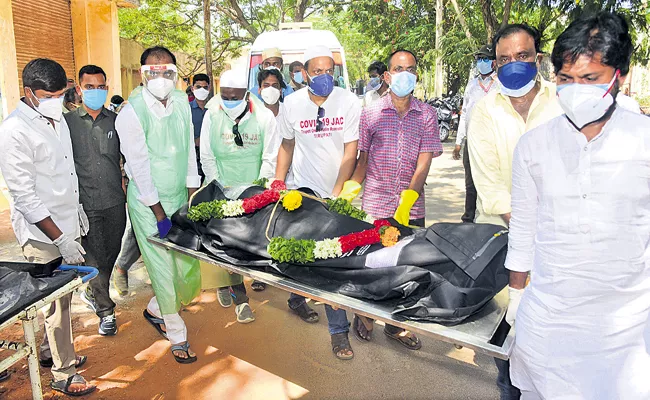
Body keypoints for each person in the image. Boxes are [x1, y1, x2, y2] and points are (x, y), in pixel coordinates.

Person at [506, 12, 650, 400]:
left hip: (628, 328)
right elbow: (523, 228)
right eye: (566, 79)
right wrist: (516, 297)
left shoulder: (644, 140)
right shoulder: (534, 146)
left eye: (590, 78)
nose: (576, 89)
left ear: (620, 75)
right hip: (550, 320)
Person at [466, 24, 563, 400]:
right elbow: (490, 189)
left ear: (537, 57)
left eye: (522, 56)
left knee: (555, 349)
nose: (514, 65)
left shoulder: (561, 103)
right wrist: (531, 238)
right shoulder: (484, 112)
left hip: (561, 245)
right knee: (509, 346)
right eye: (504, 59)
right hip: (504, 245)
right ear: (495, 63)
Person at [0, 58, 95, 396]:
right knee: (58, 304)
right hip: (43, 234)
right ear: (29, 93)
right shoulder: (15, 131)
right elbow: (24, 196)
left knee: (61, 299)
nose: (58, 100)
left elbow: (65, 172)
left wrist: (77, 209)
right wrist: (61, 238)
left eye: (61, 93)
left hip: (67, 221)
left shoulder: (57, 119)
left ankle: (47, 352)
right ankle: (63, 374)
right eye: (48, 95)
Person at [343, 49, 442, 350]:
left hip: (411, 206)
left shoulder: (427, 114)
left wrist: (407, 201)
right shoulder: (371, 113)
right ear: (387, 75)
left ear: (416, 74)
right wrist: (349, 191)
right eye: (398, 69)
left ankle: (396, 324)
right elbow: (363, 159)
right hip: (374, 202)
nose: (404, 74)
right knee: (372, 263)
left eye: (410, 69)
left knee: (407, 266)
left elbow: (424, 163)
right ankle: (366, 315)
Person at [116, 46, 202, 364]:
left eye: (168, 72)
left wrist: (192, 197)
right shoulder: (131, 112)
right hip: (148, 203)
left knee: (186, 267)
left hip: (179, 196)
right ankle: (176, 333)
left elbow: (188, 153)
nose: (162, 78)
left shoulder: (180, 101)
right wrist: (159, 214)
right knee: (163, 270)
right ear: (143, 74)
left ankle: (155, 309)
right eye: (155, 72)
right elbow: (138, 166)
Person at [275, 45, 361, 360]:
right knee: (308, 254)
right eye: (317, 71)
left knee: (332, 262)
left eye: (329, 70)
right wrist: (278, 182)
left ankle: (338, 332)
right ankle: (299, 297)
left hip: (338, 194)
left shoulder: (349, 101)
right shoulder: (292, 104)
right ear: (304, 73)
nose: (324, 76)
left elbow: (351, 150)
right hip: (304, 190)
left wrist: (338, 193)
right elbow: (287, 144)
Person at [200, 69, 279, 322]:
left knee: (245, 244)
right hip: (222, 187)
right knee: (225, 242)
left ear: (246, 95)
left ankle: (226, 283)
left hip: (253, 191)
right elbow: (207, 156)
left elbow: (270, 158)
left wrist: (258, 191)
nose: (229, 101)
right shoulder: (212, 115)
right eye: (225, 96)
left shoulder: (265, 117)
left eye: (235, 97)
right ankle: (240, 298)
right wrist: (219, 187)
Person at [65, 65, 126, 336]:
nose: (95, 91)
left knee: (110, 253)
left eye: (100, 87)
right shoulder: (67, 124)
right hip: (83, 204)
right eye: (89, 87)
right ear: (79, 89)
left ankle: (93, 291)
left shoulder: (117, 121)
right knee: (93, 257)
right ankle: (106, 310)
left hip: (115, 201)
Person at [248, 68, 288, 292]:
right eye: (266, 86)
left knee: (285, 225)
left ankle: (285, 270)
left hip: (287, 177)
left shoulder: (288, 112)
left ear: (281, 90)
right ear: (259, 89)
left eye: (275, 85)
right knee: (263, 224)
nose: (270, 90)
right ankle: (261, 272)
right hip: (263, 176)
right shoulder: (253, 114)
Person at [452, 45, 500, 223]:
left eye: (485, 59)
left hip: (493, 141)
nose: (482, 62)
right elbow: (464, 113)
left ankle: (491, 219)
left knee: (491, 181)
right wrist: (459, 142)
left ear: (493, 62)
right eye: (479, 59)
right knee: (471, 183)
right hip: (472, 142)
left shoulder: (500, 84)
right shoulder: (472, 85)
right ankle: (468, 218)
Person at [190, 73, 211, 182]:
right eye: (198, 87)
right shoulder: (187, 110)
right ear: (192, 88)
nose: (202, 90)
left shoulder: (213, 109)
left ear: (209, 88)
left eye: (205, 87)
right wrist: (195, 141)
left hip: (212, 155)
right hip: (194, 155)